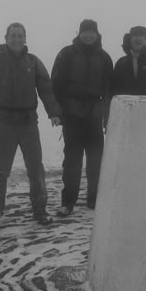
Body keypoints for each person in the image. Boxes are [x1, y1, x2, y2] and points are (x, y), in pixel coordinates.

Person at [0, 23, 62, 232]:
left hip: (29, 123)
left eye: (20, 36)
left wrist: (54, 113)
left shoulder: (33, 62)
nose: (17, 39)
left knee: (36, 169)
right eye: (13, 35)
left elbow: (46, 89)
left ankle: (40, 211)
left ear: (25, 38)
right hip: (3, 123)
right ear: (6, 37)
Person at [51, 19, 113, 216]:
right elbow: (56, 84)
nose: (88, 35)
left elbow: (109, 90)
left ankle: (94, 199)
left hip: (95, 114)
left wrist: (107, 117)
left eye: (92, 32)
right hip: (72, 114)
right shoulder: (67, 54)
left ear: (97, 34)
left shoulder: (104, 57)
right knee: (72, 160)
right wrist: (58, 111)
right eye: (85, 32)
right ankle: (68, 201)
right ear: (79, 33)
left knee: (96, 160)